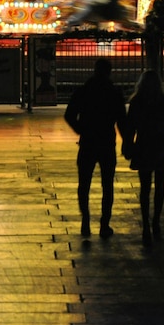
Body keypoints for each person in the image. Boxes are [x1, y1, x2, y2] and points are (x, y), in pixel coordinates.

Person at [64, 58, 127, 238]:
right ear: (109, 71)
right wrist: (128, 141)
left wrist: (80, 129)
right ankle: (104, 224)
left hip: (88, 141)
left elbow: (69, 114)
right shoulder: (114, 92)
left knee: (84, 184)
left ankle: (85, 221)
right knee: (107, 185)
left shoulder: (84, 90)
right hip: (107, 141)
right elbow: (122, 120)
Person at [122, 69, 164, 246]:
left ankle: (145, 224)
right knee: (160, 186)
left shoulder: (137, 101)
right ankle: (156, 221)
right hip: (161, 146)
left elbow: (130, 127)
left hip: (144, 146)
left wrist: (127, 145)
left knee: (145, 187)